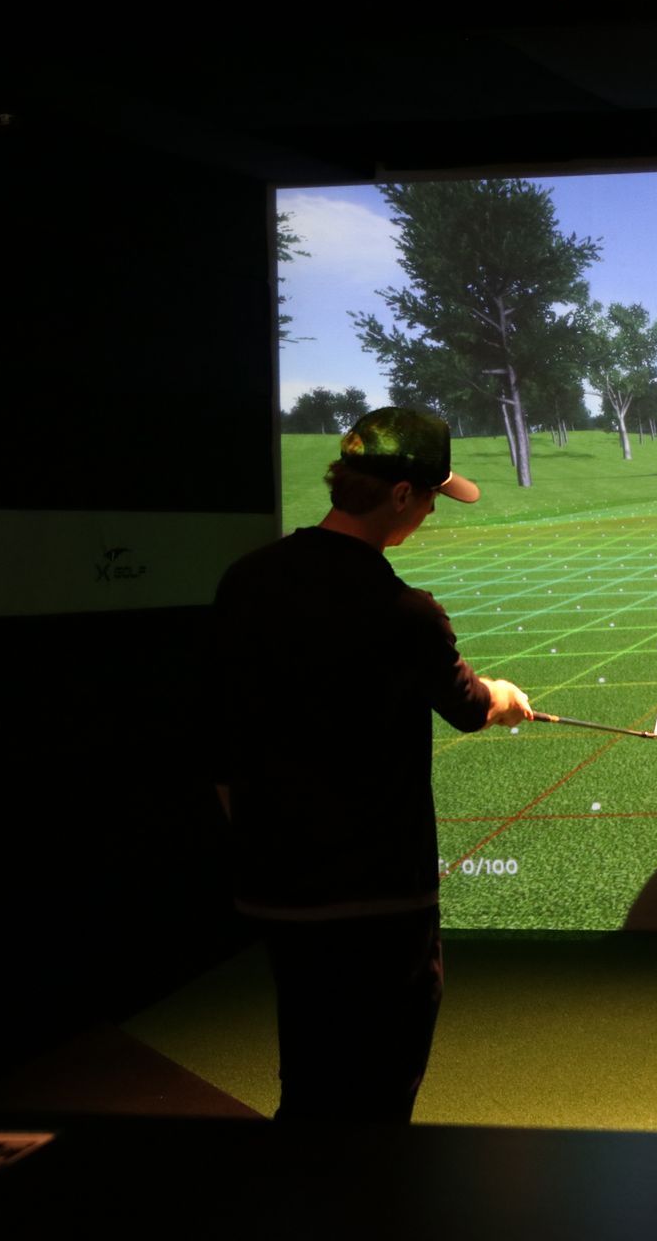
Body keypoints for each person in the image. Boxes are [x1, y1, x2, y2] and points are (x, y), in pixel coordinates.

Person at [212, 406, 536, 1122]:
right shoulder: (404, 610)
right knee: (383, 1082)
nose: (428, 514)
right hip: (380, 899)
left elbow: (220, 732)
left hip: (277, 888)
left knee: (309, 1068)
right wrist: (503, 696)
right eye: (428, 499)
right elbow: (466, 704)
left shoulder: (246, 580)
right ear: (399, 496)